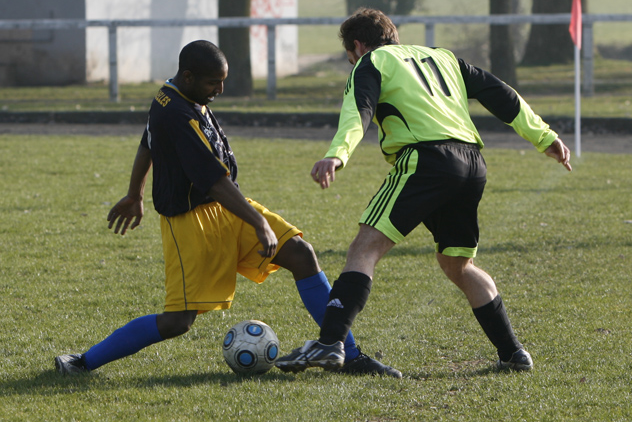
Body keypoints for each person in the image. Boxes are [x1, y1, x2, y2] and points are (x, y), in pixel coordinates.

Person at [54, 40, 401, 378]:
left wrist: (134, 194)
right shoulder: (175, 112)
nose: (219, 89)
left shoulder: (176, 93)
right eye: (212, 82)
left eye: (223, 81)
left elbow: (148, 143)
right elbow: (212, 181)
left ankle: (347, 354)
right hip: (193, 222)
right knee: (178, 321)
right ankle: (83, 362)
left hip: (228, 207)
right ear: (188, 76)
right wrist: (258, 224)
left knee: (300, 254)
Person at [276, 8, 572, 374]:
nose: (351, 61)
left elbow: (360, 113)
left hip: (425, 161)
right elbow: (501, 94)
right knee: (458, 264)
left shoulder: (370, 63)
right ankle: (513, 353)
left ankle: (329, 343)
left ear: (357, 45)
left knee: (364, 247)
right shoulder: (443, 57)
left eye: (349, 55)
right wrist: (545, 137)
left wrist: (336, 155)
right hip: (472, 163)